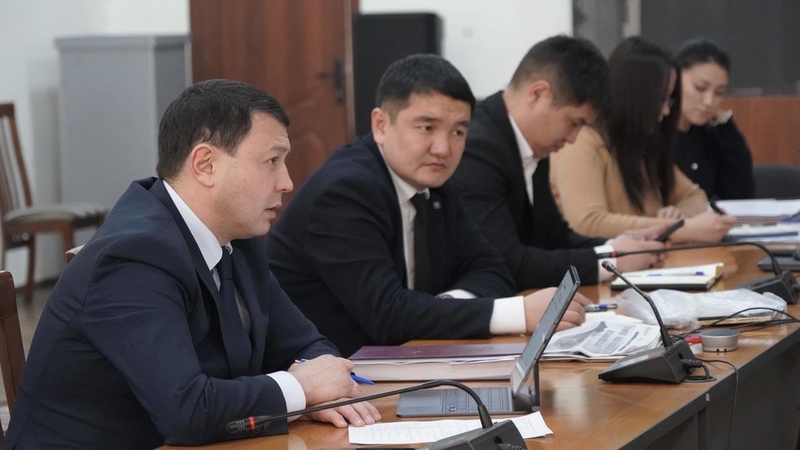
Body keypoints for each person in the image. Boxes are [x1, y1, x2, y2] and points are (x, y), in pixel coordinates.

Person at [2, 80, 379, 448]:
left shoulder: (239, 238)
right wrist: (300, 389)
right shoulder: (133, 257)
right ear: (205, 164)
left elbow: (306, 344)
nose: (287, 182)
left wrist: (321, 383)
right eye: (272, 161)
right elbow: (186, 411)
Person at [267, 54, 590, 357]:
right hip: (328, 375)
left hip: (403, 360)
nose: (443, 148)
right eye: (426, 128)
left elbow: (492, 269)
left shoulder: (436, 185)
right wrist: (518, 313)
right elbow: (387, 315)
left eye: (458, 131)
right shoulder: (344, 192)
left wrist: (443, 307)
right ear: (381, 125)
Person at [452, 35, 669, 291]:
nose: (573, 138)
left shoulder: (534, 144)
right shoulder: (479, 149)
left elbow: (555, 237)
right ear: (538, 93)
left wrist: (618, 246)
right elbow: (506, 262)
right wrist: (611, 261)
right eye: (574, 123)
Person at [549, 36, 736, 242]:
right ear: (636, 97)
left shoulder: (642, 142)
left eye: (669, 101)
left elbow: (694, 196)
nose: (666, 111)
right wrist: (677, 228)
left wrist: (680, 214)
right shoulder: (582, 140)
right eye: (661, 100)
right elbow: (588, 224)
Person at [673, 38, 755, 200]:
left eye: (719, 92)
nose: (709, 101)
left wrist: (725, 125)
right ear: (674, 79)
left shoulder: (711, 135)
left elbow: (741, 195)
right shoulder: (652, 136)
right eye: (700, 88)